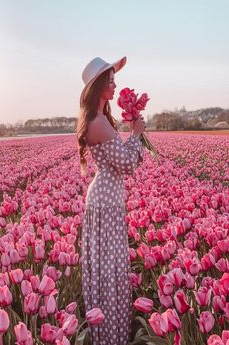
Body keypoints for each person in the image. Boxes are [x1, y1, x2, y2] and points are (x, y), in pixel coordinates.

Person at [76, 56, 145, 345]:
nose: (115, 84)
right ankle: (109, 335)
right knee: (110, 269)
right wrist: (137, 134)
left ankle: (110, 332)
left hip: (106, 197)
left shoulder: (100, 119)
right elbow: (127, 163)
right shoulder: (99, 122)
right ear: (98, 86)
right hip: (106, 201)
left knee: (110, 267)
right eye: (111, 79)